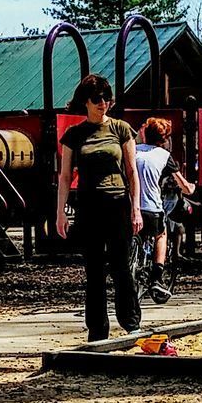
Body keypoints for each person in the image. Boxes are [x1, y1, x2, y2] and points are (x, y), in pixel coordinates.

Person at [56, 73, 142, 342]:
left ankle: (130, 322)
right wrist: (60, 212)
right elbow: (65, 176)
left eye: (107, 97)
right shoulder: (74, 134)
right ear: (86, 102)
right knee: (93, 269)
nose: (103, 102)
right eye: (97, 98)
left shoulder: (121, 129)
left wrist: (136, 208)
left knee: (121, 265)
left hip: (117, 203)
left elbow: (131, 172)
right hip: (89, 206)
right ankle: (97, 329)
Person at [134, 117, 185, 302]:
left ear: (144, 134)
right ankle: (157, 275)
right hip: (152, 208)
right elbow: (183, 184)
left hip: (131, 207)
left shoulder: (132, 150)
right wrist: (190, 188)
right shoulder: (164, 156)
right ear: (164, 139)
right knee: (161, 235)